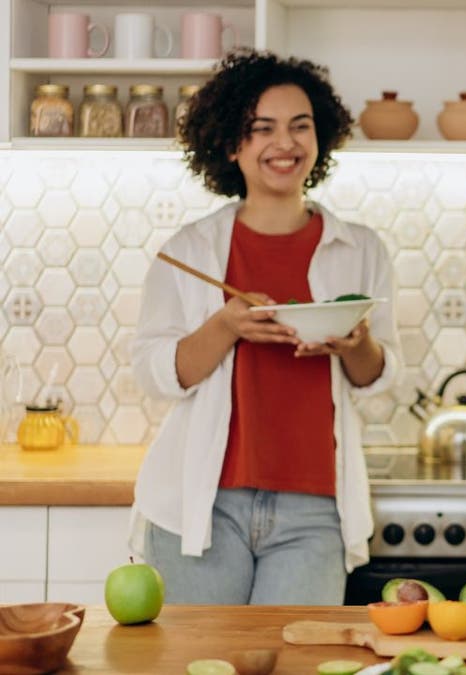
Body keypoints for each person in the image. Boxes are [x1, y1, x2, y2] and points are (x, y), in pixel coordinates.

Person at [130, 49, 399, 605]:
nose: (286, 143)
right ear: (232, 144)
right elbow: (156, 373)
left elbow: (375, 375)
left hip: (315, 507)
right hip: (202, 503)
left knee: (297, 663)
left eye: (301, 126)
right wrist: (226, 325)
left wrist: (357, 343)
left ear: (320, 137)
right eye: (263, 129)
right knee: (198, 664)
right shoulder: (190, 250)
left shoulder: (361, 248)